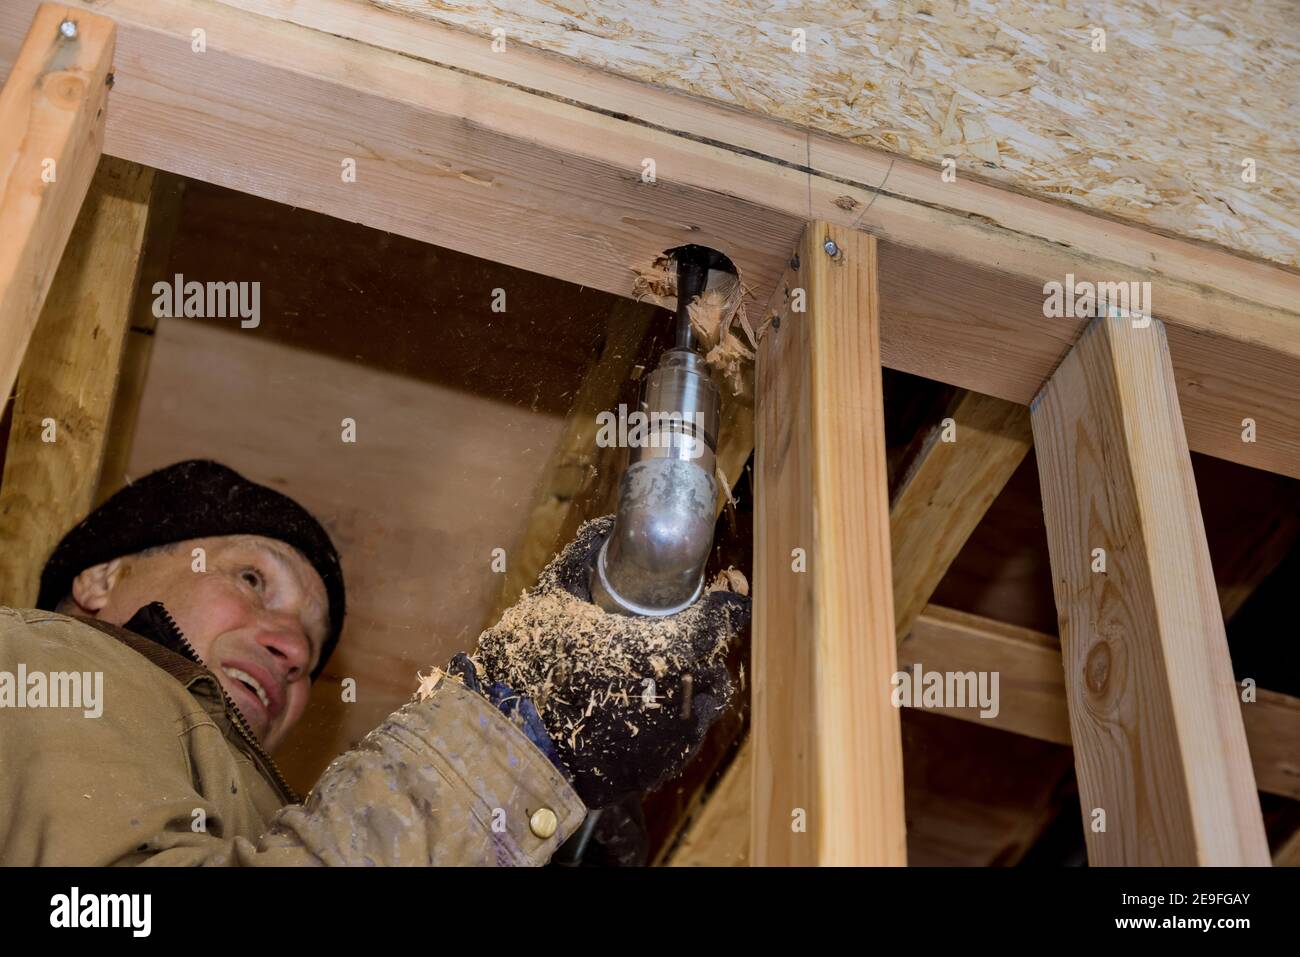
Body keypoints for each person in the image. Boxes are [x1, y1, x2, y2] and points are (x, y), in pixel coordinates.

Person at [0, 460, 748, 865]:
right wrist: (514, 740)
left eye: (310, 650)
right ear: (101, 578)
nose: (292, 650)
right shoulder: (41, 662)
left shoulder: (258, 816)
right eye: (252, 579)